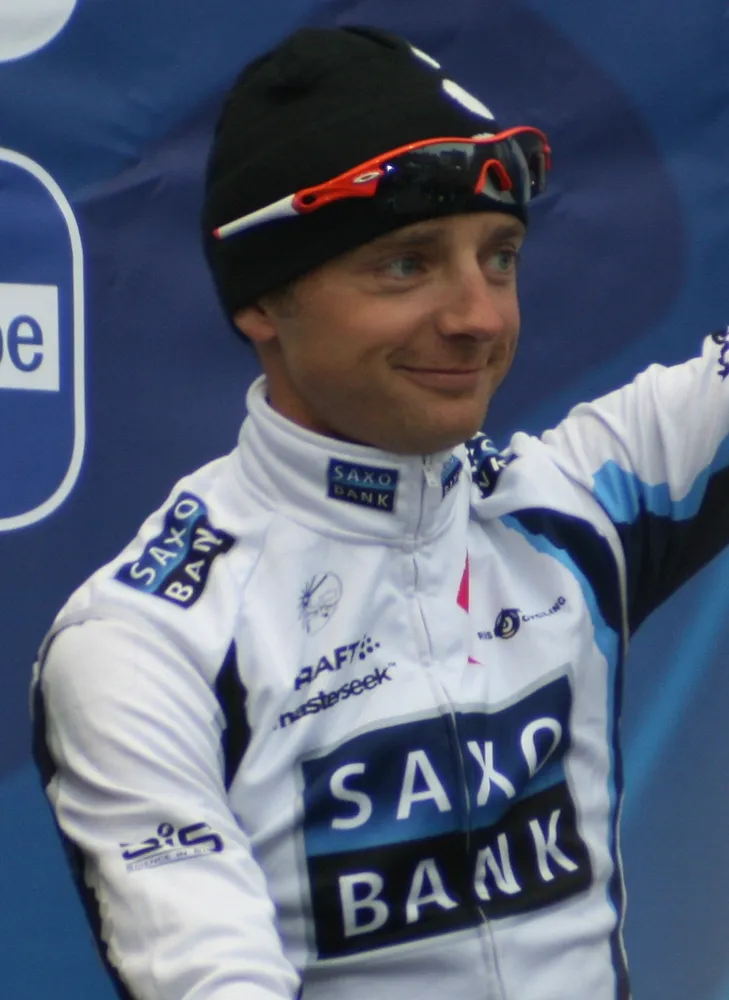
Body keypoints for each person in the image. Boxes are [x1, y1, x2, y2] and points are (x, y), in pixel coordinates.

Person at [30, 23, 729, 1000]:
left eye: (499, 257)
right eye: (406, 264)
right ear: (262, 301)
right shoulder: (147, 642)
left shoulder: (571, 503)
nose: (478, 316)